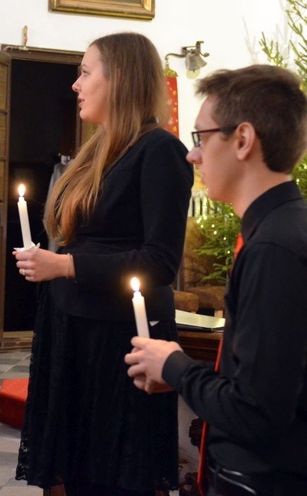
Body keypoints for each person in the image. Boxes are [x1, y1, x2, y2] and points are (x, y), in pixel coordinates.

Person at [13, 32, 193, 495]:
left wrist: (66, 267)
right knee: (73, 474)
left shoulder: (160, 151)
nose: (75, 85)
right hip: (73, 329)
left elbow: (160, 261)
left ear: (121, 80)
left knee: (112, 478)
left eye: (85, 73)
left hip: (116, 340)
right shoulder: (98, 148)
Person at [126, 65, 307, 495]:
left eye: (201, 137)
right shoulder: (279, 229)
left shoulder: (275, 248)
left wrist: (175, 365)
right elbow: (268, 379)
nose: (193, 154)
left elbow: (257, 413)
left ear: (242, 140)